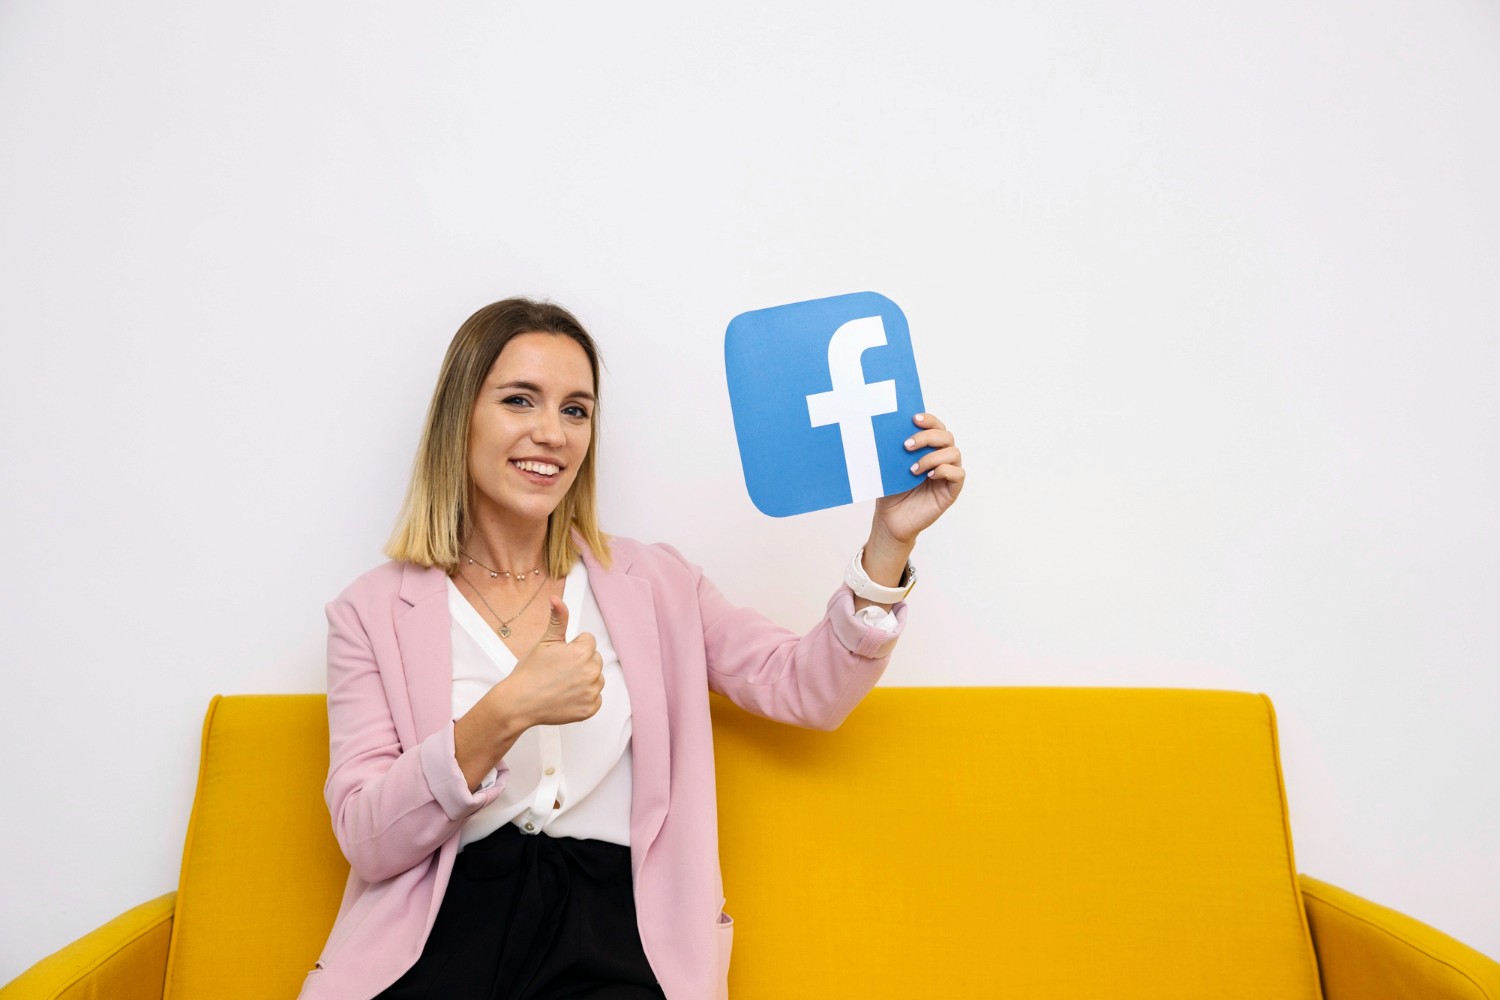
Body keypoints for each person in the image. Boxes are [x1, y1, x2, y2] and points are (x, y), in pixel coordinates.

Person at [299, 298, 964, 1000]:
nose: (552, 433)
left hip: (613, 935)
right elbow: (368, 839)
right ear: (459, 416)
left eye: (576, 410)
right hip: (436, 937)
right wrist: (508, 711)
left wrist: (891, 543)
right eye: (520, 400)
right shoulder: (370, 613)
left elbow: (807, 689)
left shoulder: (656, 585)